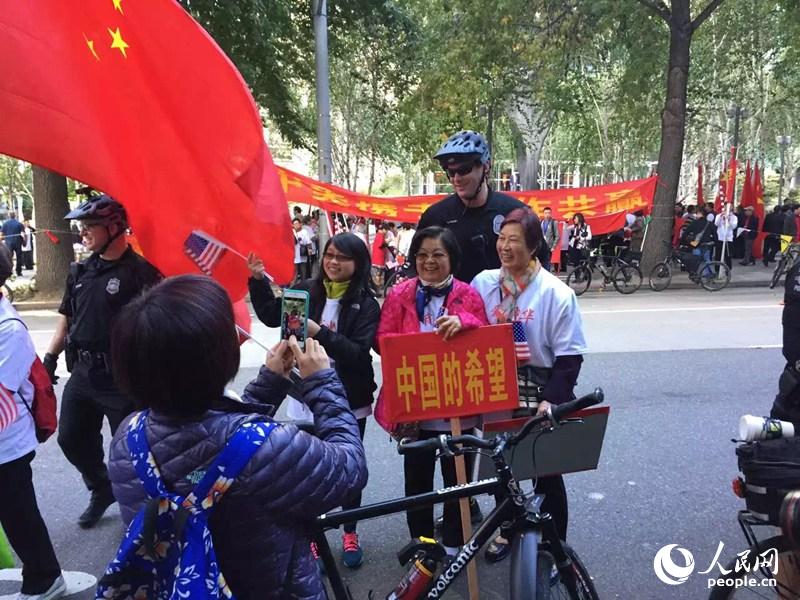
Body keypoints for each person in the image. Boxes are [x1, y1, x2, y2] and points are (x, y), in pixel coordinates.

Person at [107, 275, 367, 599]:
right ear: (215, 358)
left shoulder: (127, 438)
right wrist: (322, 383)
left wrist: (269, 385)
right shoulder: (270, 447)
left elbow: (215, 441)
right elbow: (349, 468)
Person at [247, 232, 380, 568]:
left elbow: (356, 353)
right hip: (304, 395)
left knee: (350, 464)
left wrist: (319, 332)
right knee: (307, 469)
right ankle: (315, 534)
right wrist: (258, 280)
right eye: (329, 255)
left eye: (342, 257)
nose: (333, 263)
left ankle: (350, 531)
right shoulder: (305, 290)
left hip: (348, 398)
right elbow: (269, 315)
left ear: (358, 263)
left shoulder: (365, 303)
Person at [471, 207, 587, 562]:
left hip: (539, 385)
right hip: (493, 380)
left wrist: (552, 399)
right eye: (501, 239)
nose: (505, 247)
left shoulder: (555, 293)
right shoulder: (484, 283)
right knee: (499, 465)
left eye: (514, 241)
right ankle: (508, 528)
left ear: (534, 246)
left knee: (544, 469)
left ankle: (555, 544)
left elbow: (570, 358)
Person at [42, 195, 162, 528]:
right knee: (70, 438)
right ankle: (101, 487)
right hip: (82, 372)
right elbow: (67, 317)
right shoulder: (81, 270)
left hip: (122, 376)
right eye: (81, 227)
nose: (83, 233)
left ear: (114, 227)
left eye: (89, 227)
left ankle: (141, 513)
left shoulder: (142, 274)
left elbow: (157, 326)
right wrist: (50, 357)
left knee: (128, 451)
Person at [375, 226, 488, 555]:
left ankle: (455, 543)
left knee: (458, 480)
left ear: (451, 258)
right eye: (422, 255)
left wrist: (463, 321)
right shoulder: (400, 294)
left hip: (457, 403)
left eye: (438, 254)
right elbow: (382, 341)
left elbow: (485, 334)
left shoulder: (468, 294)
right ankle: (422, 546)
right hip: (414, 405)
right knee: (417, 482)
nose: (429, 261)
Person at [0, 245, 66, 600]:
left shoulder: (9, 329)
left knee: (18, 514)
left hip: (7, 444)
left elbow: (1, 396)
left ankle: (45, 577)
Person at [417, 130, 526, 283]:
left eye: (463, 170)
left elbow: (539, 263)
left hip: (505, 303)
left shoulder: (514, 212)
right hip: (453, 304)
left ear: (485, 167)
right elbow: (415, 268)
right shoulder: (435, 216)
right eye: (451, 172)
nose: (456, 179)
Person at [1, 211, 25, 277]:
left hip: (8, 243)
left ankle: (10, 271)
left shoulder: (5, 224)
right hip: (18, 242)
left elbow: (1, 234)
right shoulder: (19, 224)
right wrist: (24, 242)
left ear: (9, 216)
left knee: (8, 258)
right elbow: (23, 234)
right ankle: (19, 271)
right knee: (19, 257)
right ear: (15, 215)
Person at [714, 205, 738, 270]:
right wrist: (721, 217)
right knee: (718, 256)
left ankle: (728, 271)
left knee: (728, 256)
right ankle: (717, 270)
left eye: (730, 207)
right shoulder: (719, 215)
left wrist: (729, 220)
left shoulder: (734, 217)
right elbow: (716, 224)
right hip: (720, 238)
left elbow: (733, 227)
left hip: (728, 239)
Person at [291, 217, 312, 283]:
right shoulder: (292, 232)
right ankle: (293, 286)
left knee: (303, 271)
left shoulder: (304, 231)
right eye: (294, 224)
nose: (296, 225)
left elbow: (308, 242)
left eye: (297, 223)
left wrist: (310, 250)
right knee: (295, 271)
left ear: (300, 224)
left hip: (302, 253)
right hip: (295, 254)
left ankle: (303, 284)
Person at [541, 207, 559, 272]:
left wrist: (553, 247)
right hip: (541, 246)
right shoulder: (541, 222)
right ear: (543, 214)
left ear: (551, 214)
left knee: (547, 263)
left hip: (549, 246)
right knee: (541, 264)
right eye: (546, 213)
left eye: (549, 213)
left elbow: (557, 236)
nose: (547, 214)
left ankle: (546, 278)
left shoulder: (553, 222)